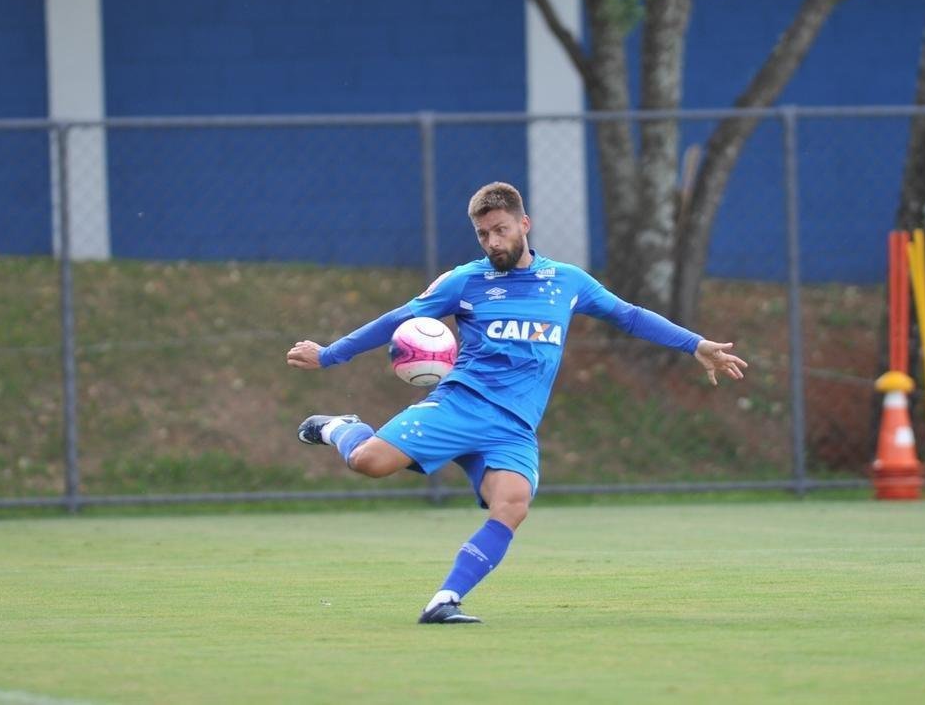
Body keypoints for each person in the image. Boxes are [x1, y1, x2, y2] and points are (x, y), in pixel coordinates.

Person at [286, 182, 747, 624]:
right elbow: (398, 319)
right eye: (483, 234)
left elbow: (628, 315)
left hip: (514, 427)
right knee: (368, 463)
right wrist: (330, 354)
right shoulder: (464, 281)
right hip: (462, 405)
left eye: (500, 229)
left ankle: (444, 600)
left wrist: (694, 345)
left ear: (524, 223)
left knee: (512, 504)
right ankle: (340, 427)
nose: (492, 241)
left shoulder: (566, 281)